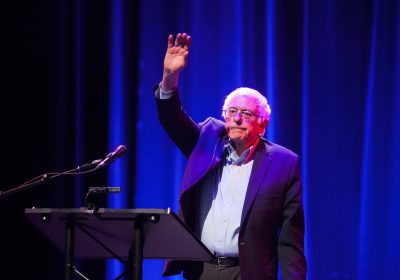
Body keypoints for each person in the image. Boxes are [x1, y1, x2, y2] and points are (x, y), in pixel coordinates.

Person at [154, 33, 306, 280]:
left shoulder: (284, 164)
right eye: (232, 111)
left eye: (246, 113)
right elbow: (171, 119)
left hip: (249, 273)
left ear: (263, 124)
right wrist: (170, 77)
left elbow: (291, 241)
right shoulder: (205, 142)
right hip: (202, 271)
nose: (237, 118)